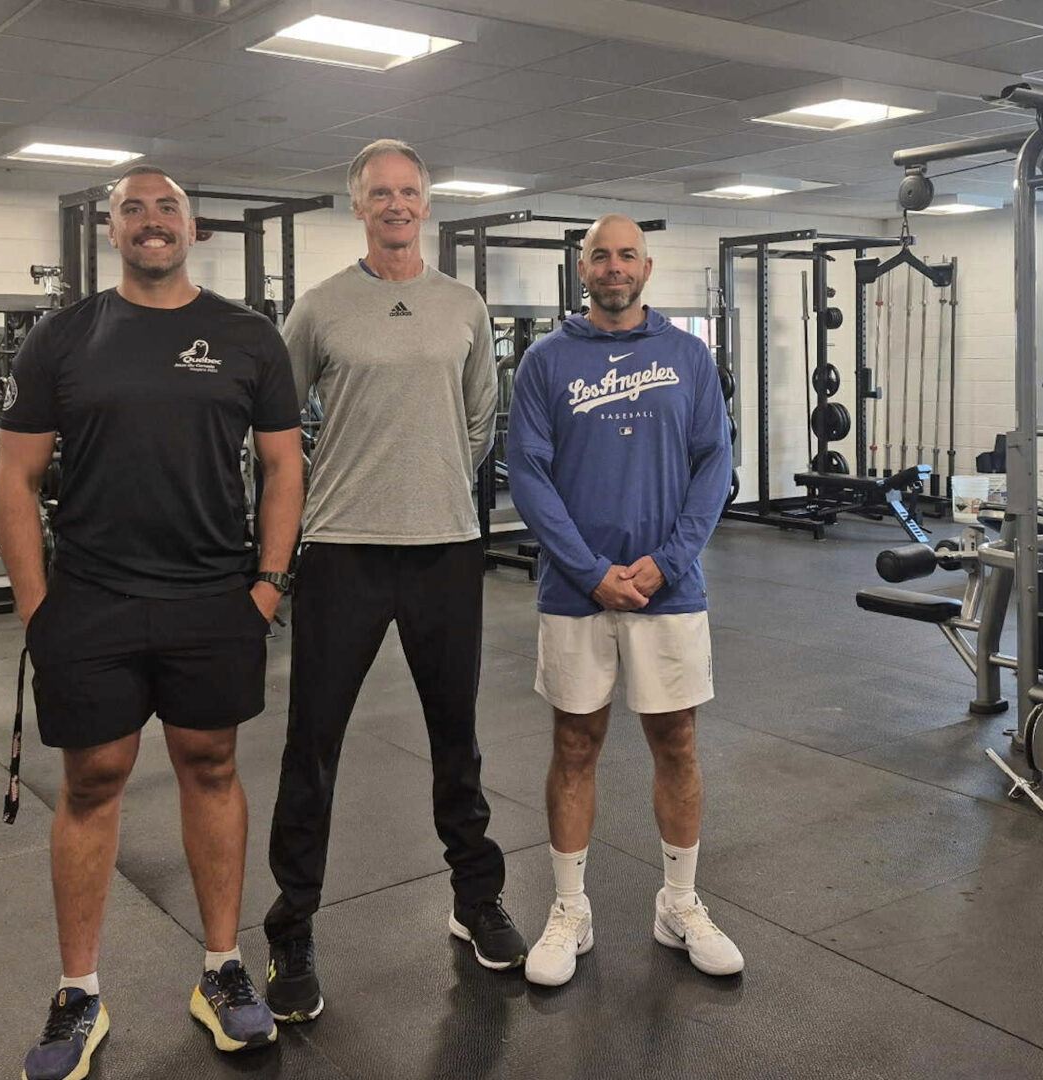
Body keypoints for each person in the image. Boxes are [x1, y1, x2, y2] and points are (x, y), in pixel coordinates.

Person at [0, 165, 305, 1080]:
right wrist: (35, 607)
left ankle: (220, 970)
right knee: (92, 779)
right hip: (90, 598)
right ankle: (78, 990)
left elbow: (283, 467)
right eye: (132, 208)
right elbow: (14, 480)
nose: (150, 220)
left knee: (211, 765)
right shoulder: (63, 337)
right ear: (112, 230)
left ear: (192, 227)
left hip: (215, 597)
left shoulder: (248, 336)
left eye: (165, 206)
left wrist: (268, 586)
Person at [263, 138, 525, 1020]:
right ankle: (292, 925)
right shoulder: (321, 308)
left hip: (446, 545)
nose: (395, 205)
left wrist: (439, 476)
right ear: (357, 204)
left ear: (426, 201)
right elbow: (272, 420)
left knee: (457, 738)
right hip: (342, 548)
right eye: (380, 193)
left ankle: (474, 899)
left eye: (408, 192)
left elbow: (482, 414)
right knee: (314, 744)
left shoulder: (463, 305)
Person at [505, 214, 742, 987]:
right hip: (576, 595)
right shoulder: (545, 362)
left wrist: (667, 565)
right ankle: (569, 909)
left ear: (647, 266)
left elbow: (714, 465)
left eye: (626, 255)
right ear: (583, 269)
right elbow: (529, 475)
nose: (614, 267)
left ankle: (678, 903)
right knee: (575, 745)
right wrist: (587, 570)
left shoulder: (687, 356)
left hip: (668, 593)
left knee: (676, 741)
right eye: (601, 255)